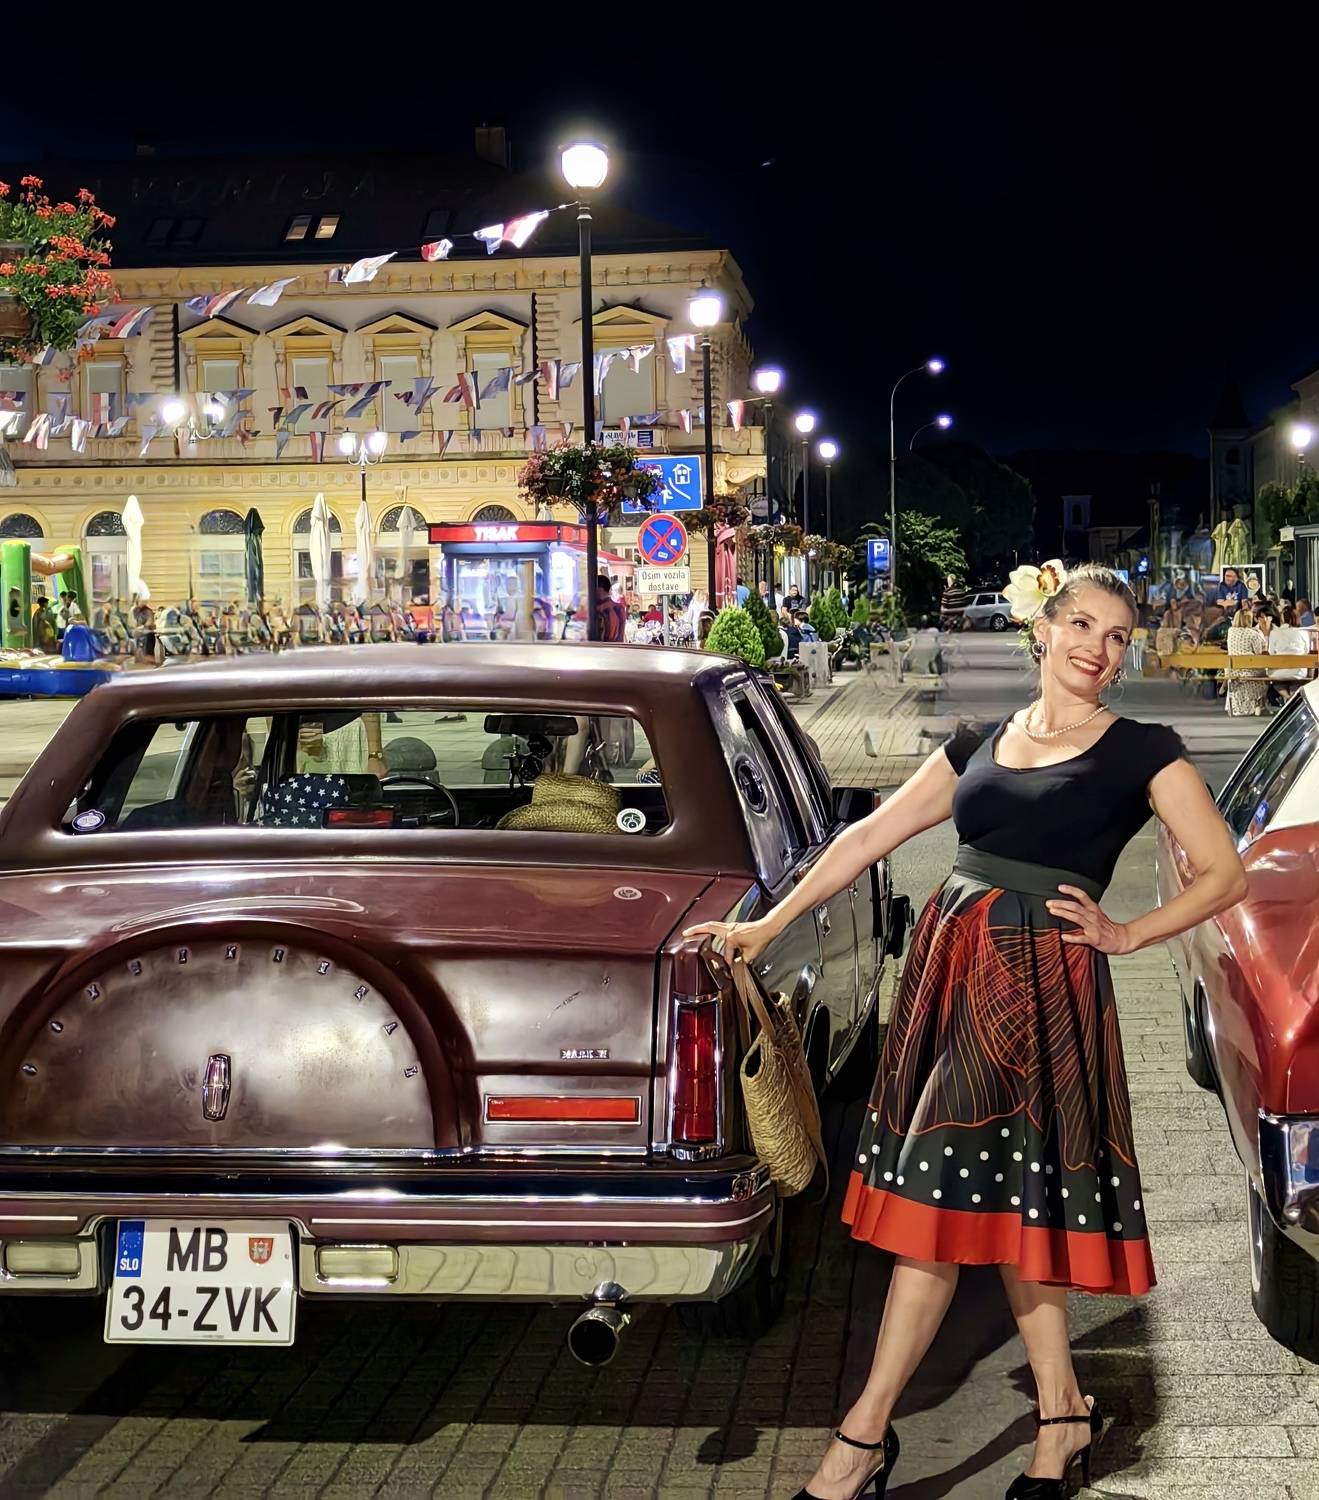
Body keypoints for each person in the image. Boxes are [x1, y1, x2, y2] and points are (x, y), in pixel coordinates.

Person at [686, 563, 1246, 1500]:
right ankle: (1058, 1414)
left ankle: (863, 1437)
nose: (1098, 648)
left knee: (939, 1207)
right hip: (950, 980)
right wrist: (766, 925)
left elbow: (1224, 873)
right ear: (1043, 629)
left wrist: (1127, 934)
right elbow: (863, 839)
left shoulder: (1141, 751)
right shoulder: (979, 740)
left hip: (1040, 992)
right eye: (1082, 625)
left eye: (1116, 636)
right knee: (1007, 1202)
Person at [1226, 605, 1269, 716]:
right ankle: (1258, 704)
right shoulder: (1253, 634)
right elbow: (1259, 653)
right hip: (1250, 670)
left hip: (1233, 670)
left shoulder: (1231, 632)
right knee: (1266, 673)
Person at [595, 572, 627, 642]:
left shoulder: (599, 609)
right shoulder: (620, 608)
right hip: (618, 646)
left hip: (604, 647)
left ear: (599, 589)